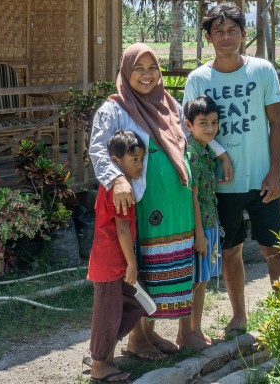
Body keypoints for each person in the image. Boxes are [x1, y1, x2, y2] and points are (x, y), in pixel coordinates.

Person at [183, 3, 280, 338]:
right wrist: (220, 154)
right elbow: (189, 129)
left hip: (262, 180)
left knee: (274, 250)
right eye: (218, 31)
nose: (226, 37)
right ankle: (239, 318)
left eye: (232, 30)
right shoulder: (198, 79)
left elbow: (277, 123)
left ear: (244, 35)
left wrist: (275, 172)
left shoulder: (262, 71)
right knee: (231, 252)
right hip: (221, 187)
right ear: (208, 37)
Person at [89, 43, 194, 360]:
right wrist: (117, 179)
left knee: (163, 270)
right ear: (125, 71)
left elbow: (183, 141)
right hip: (143, 204)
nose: (147, 75)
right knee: (143, 268)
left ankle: (150, 333)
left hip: (174, 204)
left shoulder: (168, 104)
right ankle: (136, 339)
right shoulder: (115, 109)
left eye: (152, 68)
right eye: (139, 68)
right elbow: (99, 149)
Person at [86, 130, 148, 383]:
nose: (139, 165)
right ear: (115, 160)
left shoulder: (116, 185)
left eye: (141, 159)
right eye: (134, 160)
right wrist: (131, 263)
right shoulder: (119, 189)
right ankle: (100, 364)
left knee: (135, 305)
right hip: (110, 263)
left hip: (112, 262)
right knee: (107, 314)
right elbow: (122, 229)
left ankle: (100, 354)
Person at [181, 95, 234, 348]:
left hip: (210, 223)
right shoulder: (191, 154)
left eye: (214, 122)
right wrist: (199, 235)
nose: (210, 128)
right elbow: (192, 196)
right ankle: (187, 334)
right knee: (195, 282)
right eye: (203, 123)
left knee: (201, 281)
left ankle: (195, 330)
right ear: (188, 125)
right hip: (199, 228)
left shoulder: (204, 150)